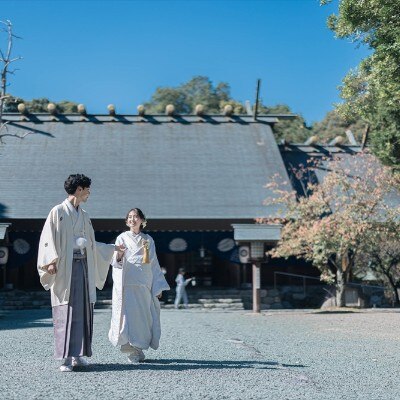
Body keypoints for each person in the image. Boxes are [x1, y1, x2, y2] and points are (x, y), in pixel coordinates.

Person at [37, 174, 125, 372]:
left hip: (83, 266)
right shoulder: (57, 212)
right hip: (65, 269)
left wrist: (112, 248)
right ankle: (66, 358)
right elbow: (47, 239)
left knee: (83, 310)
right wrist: (50, 261)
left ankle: (78, 355)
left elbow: (91, 245)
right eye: (87, 190)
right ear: (78, 189)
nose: (88, 194)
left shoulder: (84, 215)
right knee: (66, 310)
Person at [108, 208, 170, 363]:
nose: (132, 219)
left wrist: (157, 286)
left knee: (142, 317)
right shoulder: (122, 237)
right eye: (129, 217)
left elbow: (154, 263)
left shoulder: (148, 239)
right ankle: (130, 347)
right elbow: (115, 261)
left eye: (135, 217)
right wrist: (119, 254)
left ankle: (139, 348)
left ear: (142, 220)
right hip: (126, 284)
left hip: (144, 284)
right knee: (126, 317)